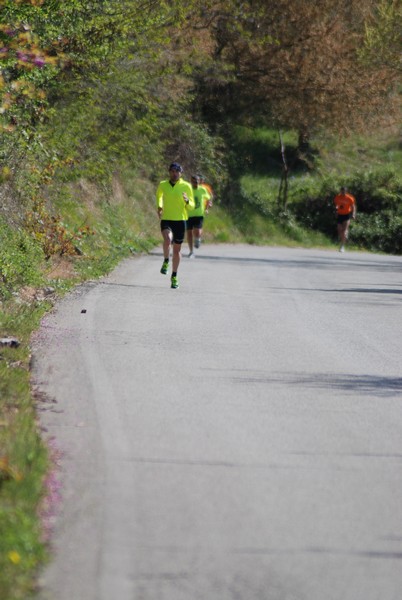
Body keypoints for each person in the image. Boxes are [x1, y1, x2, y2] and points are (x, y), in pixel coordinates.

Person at [156, 162, 194, 288]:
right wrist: (160, 207)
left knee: (177, 250)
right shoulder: (163, 184)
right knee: (167, 239)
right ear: (169, 172)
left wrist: (187, 201)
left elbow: (192, 206)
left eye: (177, 171)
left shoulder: (186, 186)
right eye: (172, 171)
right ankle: (166, 261)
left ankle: (174, 276)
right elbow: (159, 196)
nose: (174, 173)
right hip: (167, 218)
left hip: (180, 220)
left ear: (181, 173)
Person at [186, 174, 212, 257]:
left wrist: (207, 208)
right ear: (191, 181)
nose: (196, 183)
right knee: (189, 232)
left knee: (197, 231)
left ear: (199, 181)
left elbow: (208, 199)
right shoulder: (187, 189)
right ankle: (191, 252)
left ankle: (197, 238)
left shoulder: (202, 189)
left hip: (199, 214)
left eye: (197, 181)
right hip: (188, 214)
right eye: (194, 181)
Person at [333, 186, 356, 252]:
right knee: (339, 230)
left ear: (346, 191)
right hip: (340, 214)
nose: (342, 192)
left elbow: (353, 206)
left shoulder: (349, 198)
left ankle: (342, 246)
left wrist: (353, 214)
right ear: (340, 191)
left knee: (344, 230)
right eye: (341, 191)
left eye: (344, 191)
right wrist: (336, 211)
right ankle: (344, 238)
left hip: (347, 215)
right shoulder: (337, 197)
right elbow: (336, 205)